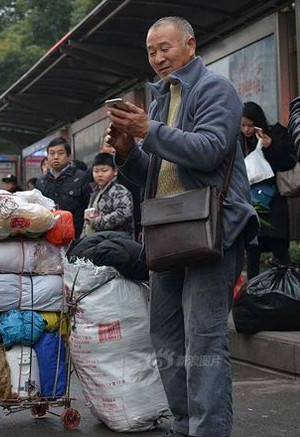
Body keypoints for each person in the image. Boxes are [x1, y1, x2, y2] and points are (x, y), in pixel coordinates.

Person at [104, 16, 257, 437]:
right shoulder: (159, 100)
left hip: (211, 231)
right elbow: (154, 175)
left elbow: (208, 151)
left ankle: (207, 431)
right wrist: (126, 152)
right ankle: (184, 425)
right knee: (167, 337)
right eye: (151, 51)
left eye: (166, 47)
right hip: (166, 232)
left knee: (204, 341)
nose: (158, 58)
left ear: (190, 45)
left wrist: (148, 130)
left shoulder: (215, 89)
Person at [241, 101, 295, 277]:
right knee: (252, 250)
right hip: (249, 204)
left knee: (279, 249)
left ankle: (287, 290)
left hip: (274, 204)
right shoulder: (236, 142)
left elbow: (288, 163)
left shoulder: (274, 134)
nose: (247, 130)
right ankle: (253, 294)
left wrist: (270, 146)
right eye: (243, 125)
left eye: (250, 125)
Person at [35, 137, 88, 238]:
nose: (56, 157)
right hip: (47, 237)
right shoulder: (41, 181)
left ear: (68, 156)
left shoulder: (80, 177)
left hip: (75, 236)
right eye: (52, 153)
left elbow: (88, 205)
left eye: (60, 153)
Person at [82, 152, 133, 237]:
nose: (99, 175)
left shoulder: (119, 190)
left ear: (115, 171)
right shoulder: (95, 192)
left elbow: (124, 213)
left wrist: (98, 221)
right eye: (96, 171)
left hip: (116, 242)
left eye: (104, 170)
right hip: (94, 241)